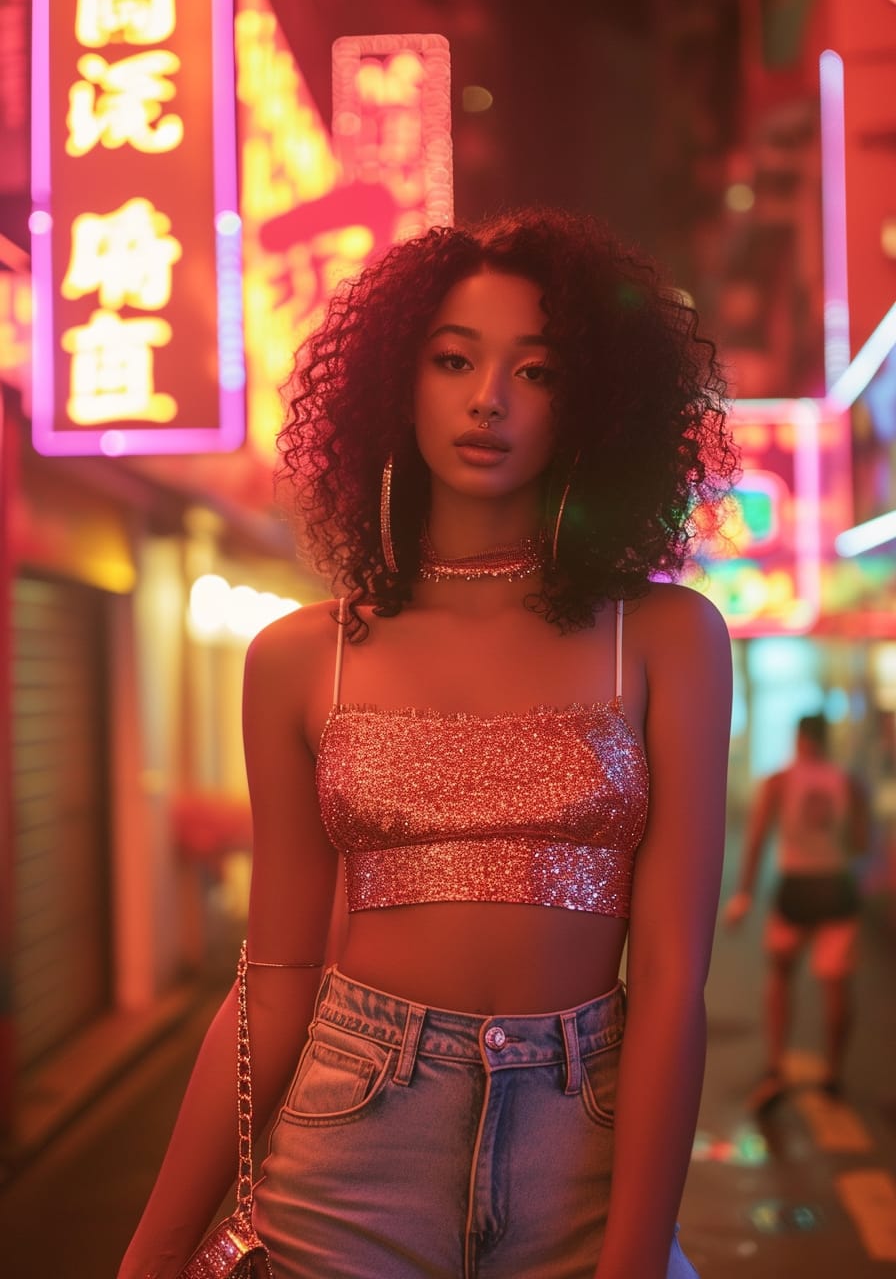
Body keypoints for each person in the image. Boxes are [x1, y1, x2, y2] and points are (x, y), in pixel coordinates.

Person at [119, 208, 736, 1279]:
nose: (487, 397)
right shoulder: (303, 657)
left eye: (536, 371)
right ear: (394, 389)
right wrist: (155, 1247)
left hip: (581, 1135)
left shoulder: (666, 637)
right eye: (452, 360)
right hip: (350, 1129)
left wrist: (633, 1253)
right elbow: (274, 977)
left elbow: (674, 978)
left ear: (589, 403)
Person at [724, 713, 870, 1112]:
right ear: (826, 739)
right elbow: (859, 844)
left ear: (799, 738)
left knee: (781, 975)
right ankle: (833, 1075)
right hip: (836, 888)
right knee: (836, 984)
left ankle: (776, 1067)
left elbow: (757, 839)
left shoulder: (780, 781)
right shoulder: (848, 783)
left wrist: (744, 896)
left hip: (796, 889)